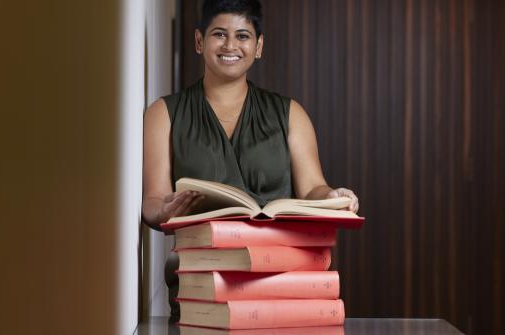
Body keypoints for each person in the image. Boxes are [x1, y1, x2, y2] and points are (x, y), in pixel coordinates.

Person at [142, 0, 359, 322]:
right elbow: (153, 201)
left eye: (243, 36)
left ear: (258, 46)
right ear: (199, 41)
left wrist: (332, 197)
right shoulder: (164, 114)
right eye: (219, 34)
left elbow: (313, 186)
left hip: (281, 275)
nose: (231, 45)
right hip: (204, 279)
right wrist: (163, 210)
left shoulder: (289, 113)